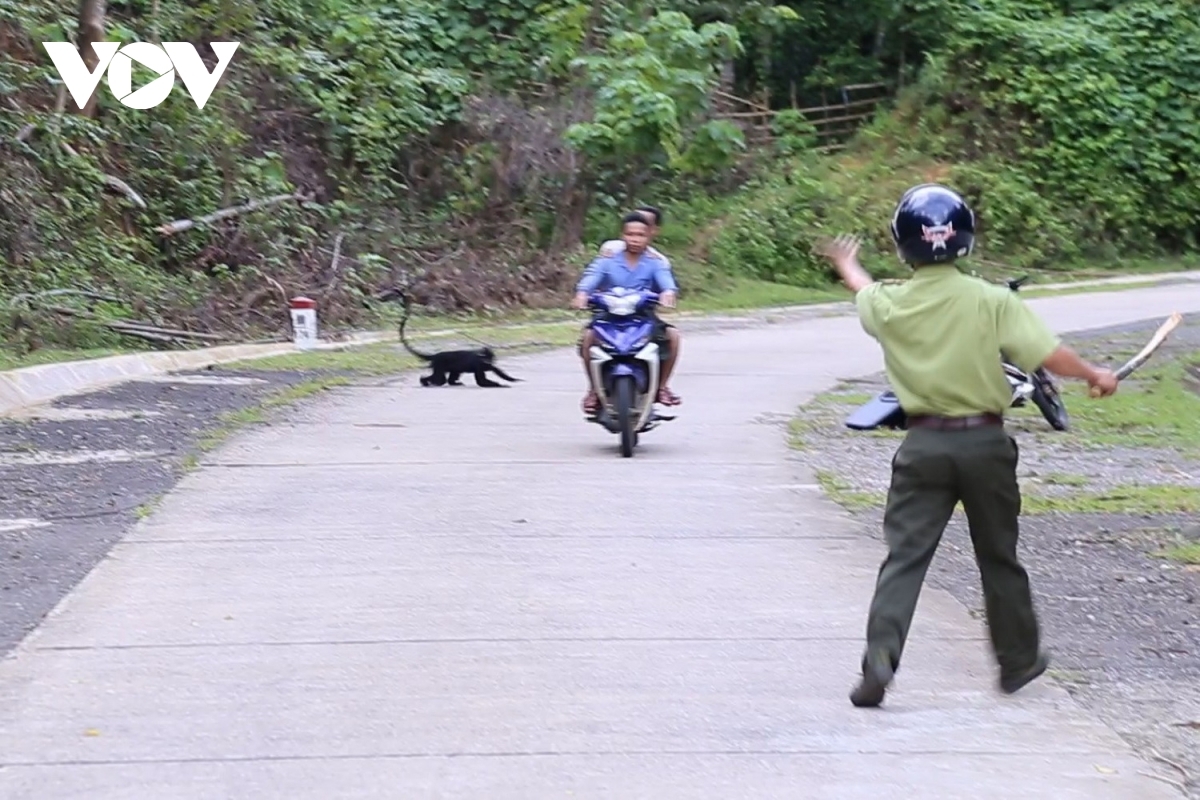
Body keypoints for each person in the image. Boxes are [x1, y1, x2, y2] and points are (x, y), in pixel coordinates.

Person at [817, 183, 1119, 709]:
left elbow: (862, 290)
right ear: (966, 240)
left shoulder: (890, 303)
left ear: (902, 243)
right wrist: (1095, 373)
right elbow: (1048, 353)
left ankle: (881, 660)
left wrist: (847, 262)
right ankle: (1018, 660)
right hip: (984, 441)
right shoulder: (993, 300)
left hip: (923, 445)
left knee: (905, 559)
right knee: (999, 556)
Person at [572, 211, 682, 413]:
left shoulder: (655, 262)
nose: (635, 239)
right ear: (623, 235)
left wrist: (668, 293)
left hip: (642, 316)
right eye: (630, 234)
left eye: (640, 235)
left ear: (649, 236)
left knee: (672, 336)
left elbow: (667, 282)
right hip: (609, 315)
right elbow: (591, 277)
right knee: (589, 337)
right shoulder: (607, 260)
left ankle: (662, 387)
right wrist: (582, 293)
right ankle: (594, 390)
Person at [598, 205, 667, 260]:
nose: (637, 226)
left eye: (644, 223)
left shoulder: (659, 261)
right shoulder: (611, 248)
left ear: (656, 230)